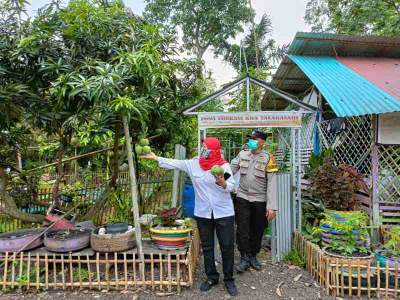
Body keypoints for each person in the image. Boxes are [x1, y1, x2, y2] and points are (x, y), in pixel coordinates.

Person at [143, 137, 238, 296]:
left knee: (227, 246)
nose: (202, 150)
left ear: (214, 151)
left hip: (224, 212)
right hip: (203, 213)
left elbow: (231, 187)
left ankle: (229, 279)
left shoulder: (223, 167)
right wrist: (155, 157)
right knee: (207, 246)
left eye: (206, 147)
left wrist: (222, 183)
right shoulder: (194, 164)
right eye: (202, 146)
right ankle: (211, 277)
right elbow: (174, 163)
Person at [231, 130, 278, 273]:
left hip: (259, 199)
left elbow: (272, 183)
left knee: (257, 229)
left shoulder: (269, 158)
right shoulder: (242, 154)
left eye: (255, 139)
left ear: (262, 142)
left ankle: (253, 256)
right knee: (242, 228)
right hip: (243, 197)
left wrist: (272, 206)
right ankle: (244, 257)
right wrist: (219, 177)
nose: (251, 141)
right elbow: (230, 170)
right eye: (251, 138)